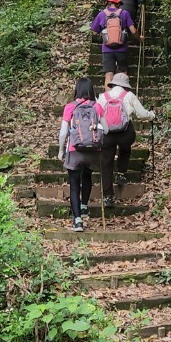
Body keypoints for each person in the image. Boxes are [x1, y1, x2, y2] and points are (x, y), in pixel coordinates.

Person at [96, 72, 154, 207]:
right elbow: (142, 114)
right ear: (125, 85)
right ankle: (121, 173)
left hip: (107, 133)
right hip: (125, 134)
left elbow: (97, 115)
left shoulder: (102, 97)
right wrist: (151, 115)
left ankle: (108, 196)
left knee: (106, 162)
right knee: (125, 147)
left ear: (113, 84)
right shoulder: (129, 96)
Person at [57, 78, 103, 232]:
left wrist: (61, 150)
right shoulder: (97, 106)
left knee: (74, 184)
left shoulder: (70, 107)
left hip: (74, 150)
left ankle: (77, 221)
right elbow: (106, 129)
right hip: (92, 151)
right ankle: (84, 207)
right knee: (87, 177)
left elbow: (63, 133)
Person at [90, 0, 139, 87]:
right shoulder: (124, 13)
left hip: (107, 49)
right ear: (118, 3)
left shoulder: (102, 14)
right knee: (122, 73)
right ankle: (121, 98)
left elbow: (94, 31)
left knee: (109, 74)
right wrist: (139, 38)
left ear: (108, 3)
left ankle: (108, 100)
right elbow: (133, 31)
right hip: (122, 48)